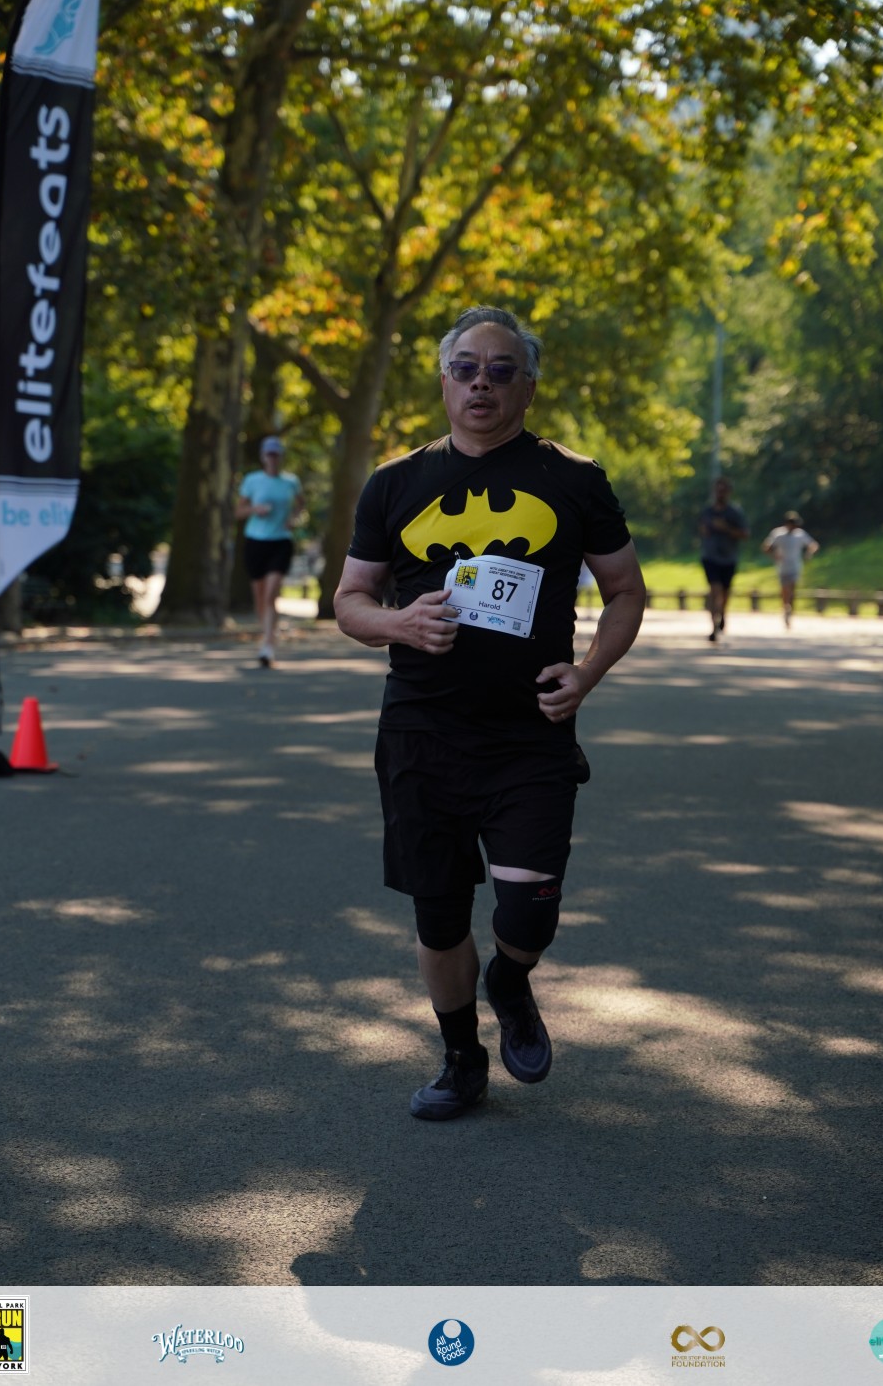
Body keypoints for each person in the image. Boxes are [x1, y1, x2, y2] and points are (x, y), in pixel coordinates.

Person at [334, 306, 646, 1121]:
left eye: (502, 370)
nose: (482, 382)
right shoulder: (395, 482)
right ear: (444, 381)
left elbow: (625, 590)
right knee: (439, 917)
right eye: (466, 368)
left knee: (527, 911)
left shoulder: (573, 477)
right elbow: (350, 600)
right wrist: (400, 623)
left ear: (528, 386)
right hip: (421, 732)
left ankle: (511, 977)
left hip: (529, 731)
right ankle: (461, 1059)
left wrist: (587, 672)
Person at [236, 436, 304, 667]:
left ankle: (268, 645)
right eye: (269, 454)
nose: (273, 458)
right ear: (263, 457)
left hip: (281, 542)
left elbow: (301, 505)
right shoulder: (252, 480)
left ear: (281, 456)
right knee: (259, 597)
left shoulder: (291, 481)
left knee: (271, 593)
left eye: (276, 454)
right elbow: (239, 511)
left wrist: (294, 519)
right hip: (255, 541)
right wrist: (254, 509)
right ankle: (265, 635)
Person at [698, 476, 748, 642]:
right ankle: (713, 626)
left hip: (728, 558)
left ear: (729, 492)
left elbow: (744, 534)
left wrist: (726, 528)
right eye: (718, 490)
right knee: (714, 590)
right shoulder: (707, 511)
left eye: (723, 490)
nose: (720, 493)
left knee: (725, 591)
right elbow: (702, 530)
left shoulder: (735, 512)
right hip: (710, 557)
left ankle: (722, 613)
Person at [762, 511, 819, 628]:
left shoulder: (800, 534)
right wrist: (774, 555)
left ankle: (790, 609)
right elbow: (766, 547)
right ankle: (785, 607)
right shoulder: (778, 534)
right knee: (784, 588)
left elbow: (813, 545)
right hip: (782, 566)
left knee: (792, 588)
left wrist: (809, 553)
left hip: (795, 566)